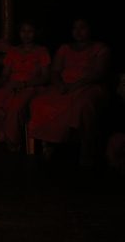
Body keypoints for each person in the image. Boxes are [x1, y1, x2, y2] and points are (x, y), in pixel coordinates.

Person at [28, 18, 110, 165]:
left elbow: (99, 73)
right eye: (75, 28)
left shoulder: (100, 48)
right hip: (65, 85)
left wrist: (77, 85)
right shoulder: (65, 48)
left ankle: (86, 151)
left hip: (88, 86)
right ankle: (50, 143)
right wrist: (60, 85)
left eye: (82, 27)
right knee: (40, 102)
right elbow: (55, 71)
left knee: (82, 105)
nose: (78, 31)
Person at [0, 21, 50, 151]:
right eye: (23, 31)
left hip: (31, 86)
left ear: (35, 33)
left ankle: (12, 141)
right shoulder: (13, 51)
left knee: (15, 107)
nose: (26, 35)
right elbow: (5, 74)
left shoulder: (41, 51)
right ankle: (3, 132)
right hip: (12, 84)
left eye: (30, 31)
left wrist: (25, 84)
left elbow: (45, 77)